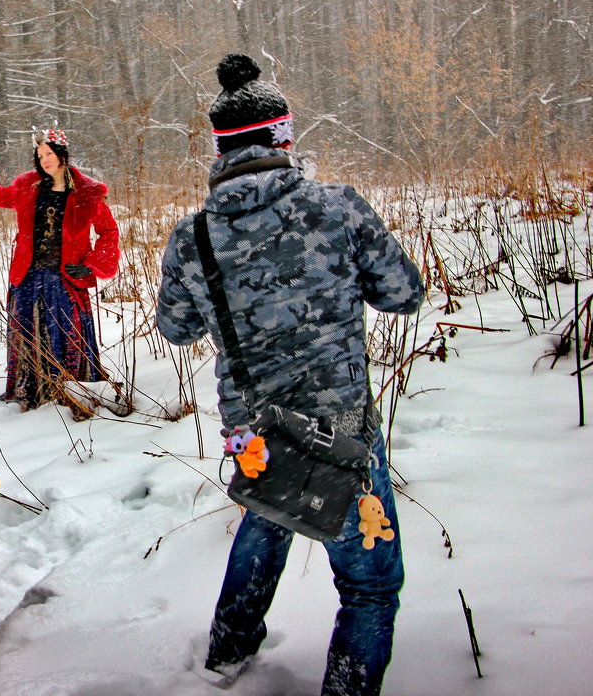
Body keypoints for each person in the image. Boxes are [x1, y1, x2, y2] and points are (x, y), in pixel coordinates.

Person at [156, 54, 424, 695]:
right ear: (282, 137)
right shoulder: (338, 208)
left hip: (252, 430)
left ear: (221, 152)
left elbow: (176, 328)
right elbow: (403, 294)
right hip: (342, 428)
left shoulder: (192, 235)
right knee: (371, 584)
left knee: (270, 513)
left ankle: (226, 653)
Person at [0, 128, 120, 410]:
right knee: (28, 332)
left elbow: (108, 232)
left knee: (66, 333)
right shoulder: (26, 186)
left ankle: (72, 388)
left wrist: (91, 265)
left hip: (65, 278)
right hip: (28, 277)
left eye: (50, 154)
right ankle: (32, 390)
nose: (44, 159)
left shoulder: (88, 191)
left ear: (62, 155)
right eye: (40, 154)